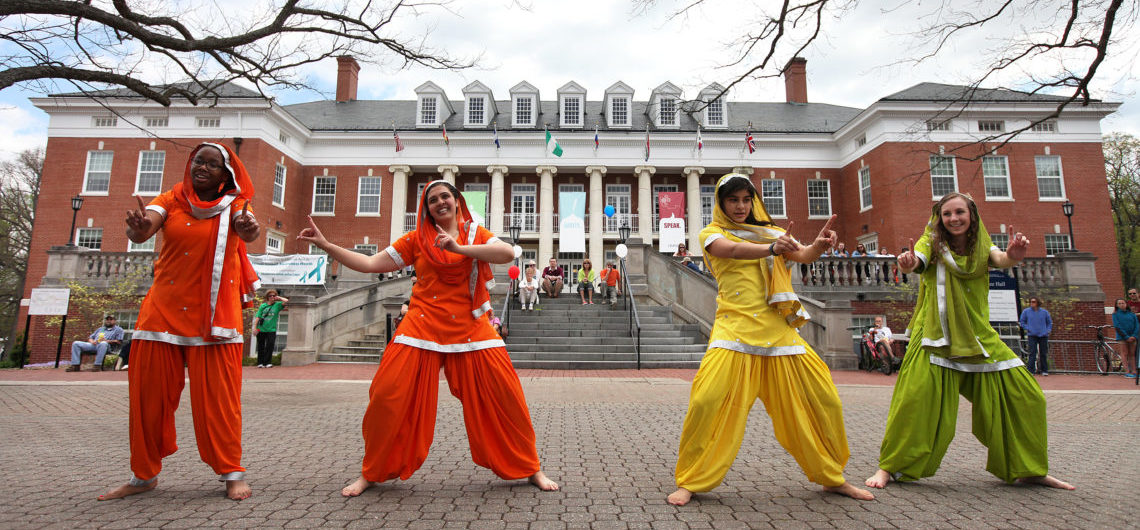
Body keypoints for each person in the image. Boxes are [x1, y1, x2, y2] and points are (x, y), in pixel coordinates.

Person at [297, 179, 558, 496]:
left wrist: (458, 248)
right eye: (432, 199)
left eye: (445, 196)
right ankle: (372, 472)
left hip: (470, 325)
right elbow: (369, 263)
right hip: (421, 324)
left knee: (507, 396)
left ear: (457, 200)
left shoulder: (475, 234)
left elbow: (506, 252)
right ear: (427, 208)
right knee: (386, 395)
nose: (440, 202)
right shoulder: (416, 239)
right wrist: (326, 245)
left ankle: (530, 468)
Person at [668, 173, 873, 506]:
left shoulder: (774, 233)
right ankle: (690, 481)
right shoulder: (712, 234)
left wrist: (818, 247)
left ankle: (832, 477)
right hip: (733, 331)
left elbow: (802, 255)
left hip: (779, 332)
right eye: (732, 200)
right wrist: (770, 247)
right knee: (707, 402)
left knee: (825, 400)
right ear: (720, 204)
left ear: (754, 202)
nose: (740, 206)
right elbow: (732, 250)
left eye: (746, 200)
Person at [865, 192, 1073, 491]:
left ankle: (1029, 468)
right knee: (914, 400)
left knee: (1027, 396)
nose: (953, 218)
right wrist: (907, 263)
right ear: (939, 218)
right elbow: (915, 263)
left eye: (959, 212)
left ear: (971, 215)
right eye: (947, 214)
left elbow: (1001, 260)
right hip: (935, 335)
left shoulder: (981, 244)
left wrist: (1014, 253)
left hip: (976, 334)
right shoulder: (931, 241)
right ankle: (890, 467)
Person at [101, 142, 261, 501]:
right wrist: (139, 228)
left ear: (226, 174)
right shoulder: (170, 199)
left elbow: (248, 231)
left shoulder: (235, 207)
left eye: (211, 164)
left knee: (219, 402)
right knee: (148, 399)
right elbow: (143, 229)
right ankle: (143, 476)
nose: (201, 168)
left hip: (214, 319)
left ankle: (231, 472)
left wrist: (248, 228)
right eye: (197, 162)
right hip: (162, 313)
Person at [252, 290, 289, 368]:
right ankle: (260, 362)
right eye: (270, 296)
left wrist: (278, 298)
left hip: (271, 329)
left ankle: (267, 362)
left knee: (270, 345)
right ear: (267, 297)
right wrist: (255, 328)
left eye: (273, 295)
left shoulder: (277, 305)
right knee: (261, 346)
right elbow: (258, 317)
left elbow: (287, 301)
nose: (272, 297)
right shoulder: (263, 306)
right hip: (261, 329)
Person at [1018, 297, 1052, 376]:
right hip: (1032, 335)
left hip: (1043, 335)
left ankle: (1044, 370)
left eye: (1033, 302)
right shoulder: (1026, 312)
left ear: (1038, 303)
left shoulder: (1044, 312)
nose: (1032, 303)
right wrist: (1028, 328)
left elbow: (1049, 322)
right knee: (1032, 353)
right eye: (1031, 302)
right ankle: (1031, 370)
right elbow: (1022, 322)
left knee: (1043, 353)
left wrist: (1048, 330)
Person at [1112, 298, 1139, 378]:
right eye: (1119, 303)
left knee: (1132, 354)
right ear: (1116, 305)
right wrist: (1126, 337)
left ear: (1126, 304)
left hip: (1133, 337)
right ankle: (1127, 371)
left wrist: (1134, 335)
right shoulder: (1115, 314)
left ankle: (1134, 371)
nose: (1121, 305)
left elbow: (1137, 325)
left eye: (1123, 303)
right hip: (1122, 337)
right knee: (1124, 353)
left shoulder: (1132, 314)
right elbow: (1117, 326)